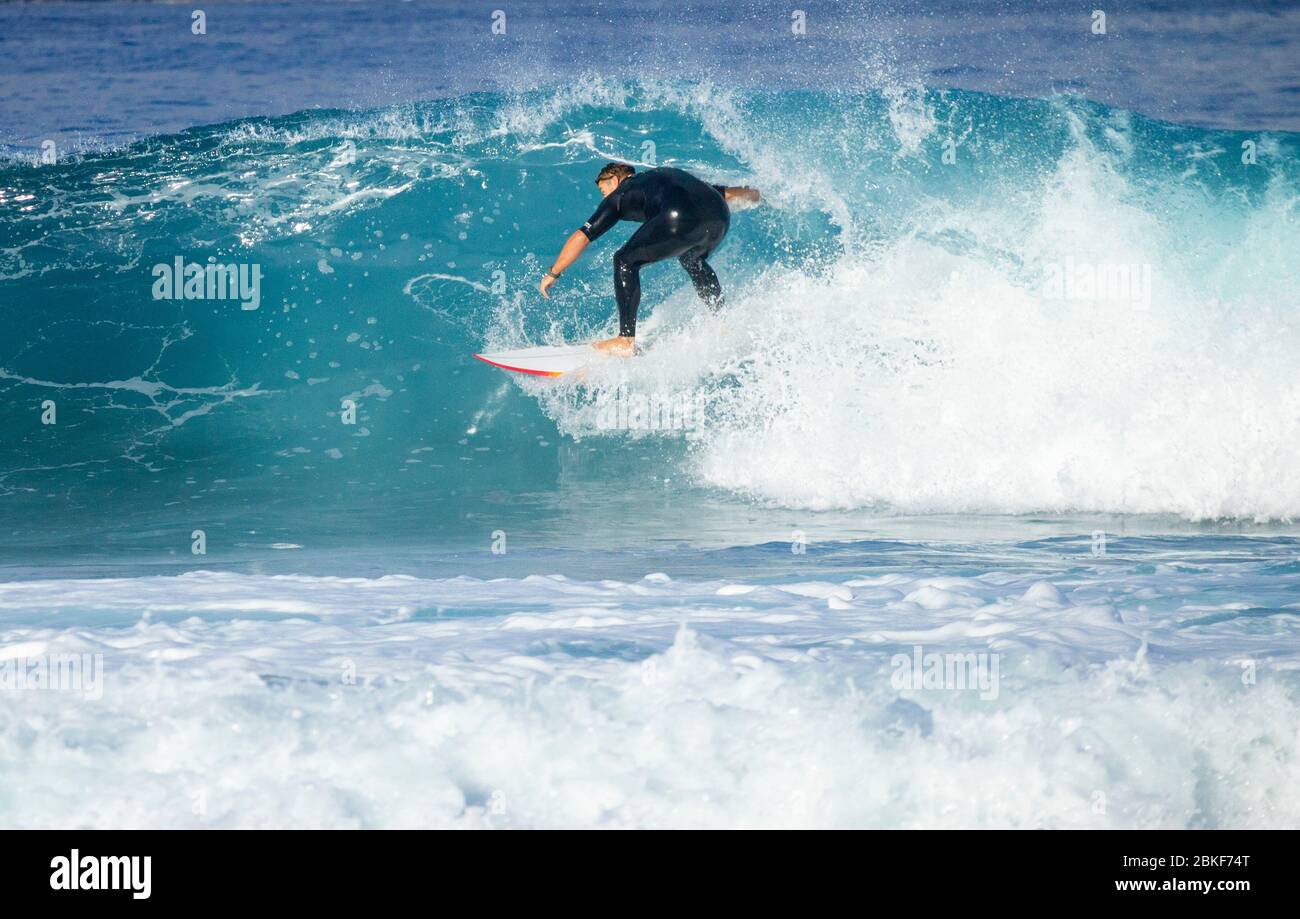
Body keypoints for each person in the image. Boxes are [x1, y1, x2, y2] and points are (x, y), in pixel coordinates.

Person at [539, 163, 760, 355]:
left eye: (603, 189)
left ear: (614, 180)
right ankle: (723, 321)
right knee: (692, 260)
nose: (604, 197)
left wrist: (553, 272)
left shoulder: (621, 193)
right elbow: (726, 194)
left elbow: (582, 236)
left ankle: (625, 340)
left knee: (624, 260)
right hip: (718, 217)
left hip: (680, 217)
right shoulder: (662, 176)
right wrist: (760, 196)